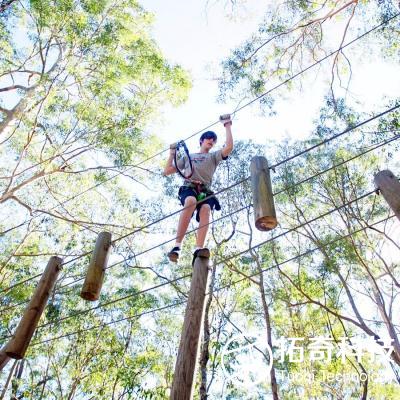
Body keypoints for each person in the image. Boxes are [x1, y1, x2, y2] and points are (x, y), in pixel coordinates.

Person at [163, 114, 234, 264]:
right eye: (208, 138)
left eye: (214, 140)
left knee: (206, 210)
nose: (211, 141)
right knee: (190, 201)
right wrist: (172, 153)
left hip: (205, 190)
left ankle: (198, 248)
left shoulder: (213, 156)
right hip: (189, 187)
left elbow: (228, 147)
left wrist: (227, 124)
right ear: (201, 140)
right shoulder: (189, 157)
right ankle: (177, 246)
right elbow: (167, 170)